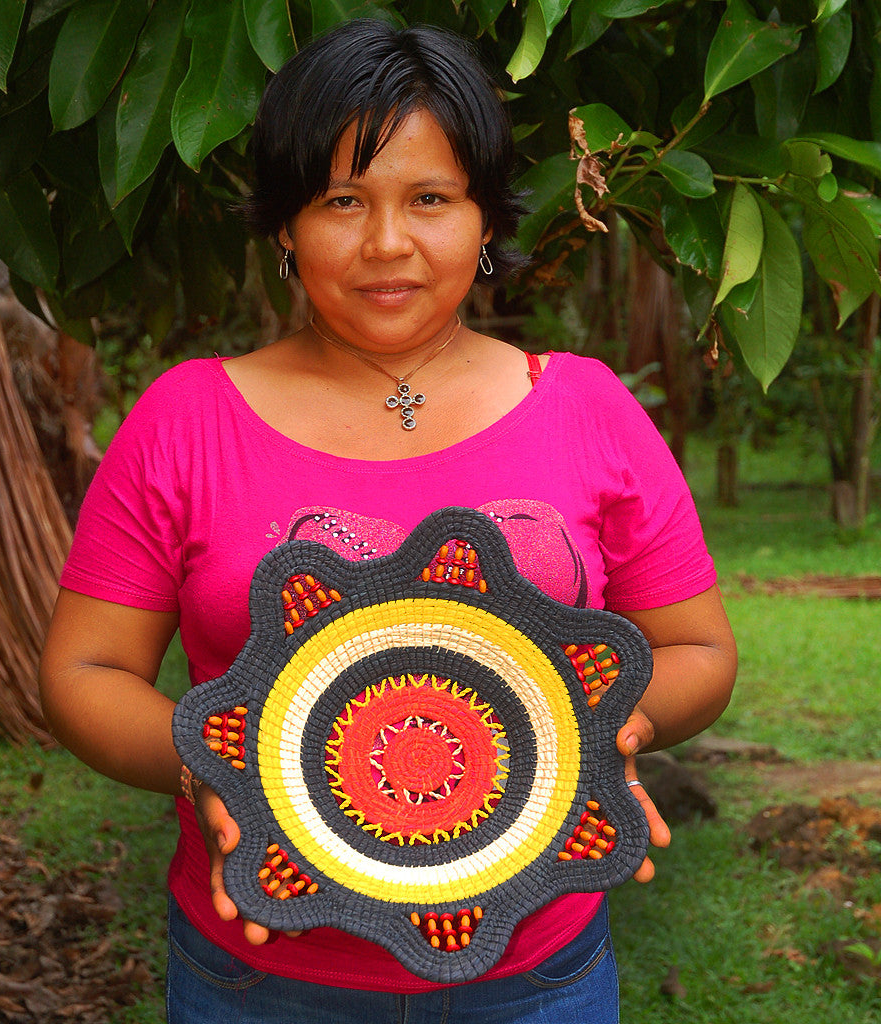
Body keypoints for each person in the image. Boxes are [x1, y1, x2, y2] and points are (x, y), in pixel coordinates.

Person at [39, 19, 736, 1024]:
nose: (386, 243)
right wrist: (212, 767)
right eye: (340, 201)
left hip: (538, 977)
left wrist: (608, 725)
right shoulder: (186, 418)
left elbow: (698, 647)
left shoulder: (587, 407)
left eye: (430, 199)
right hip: (259, 977)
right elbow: (82, 674)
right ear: (283, 223)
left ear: (485, 218)